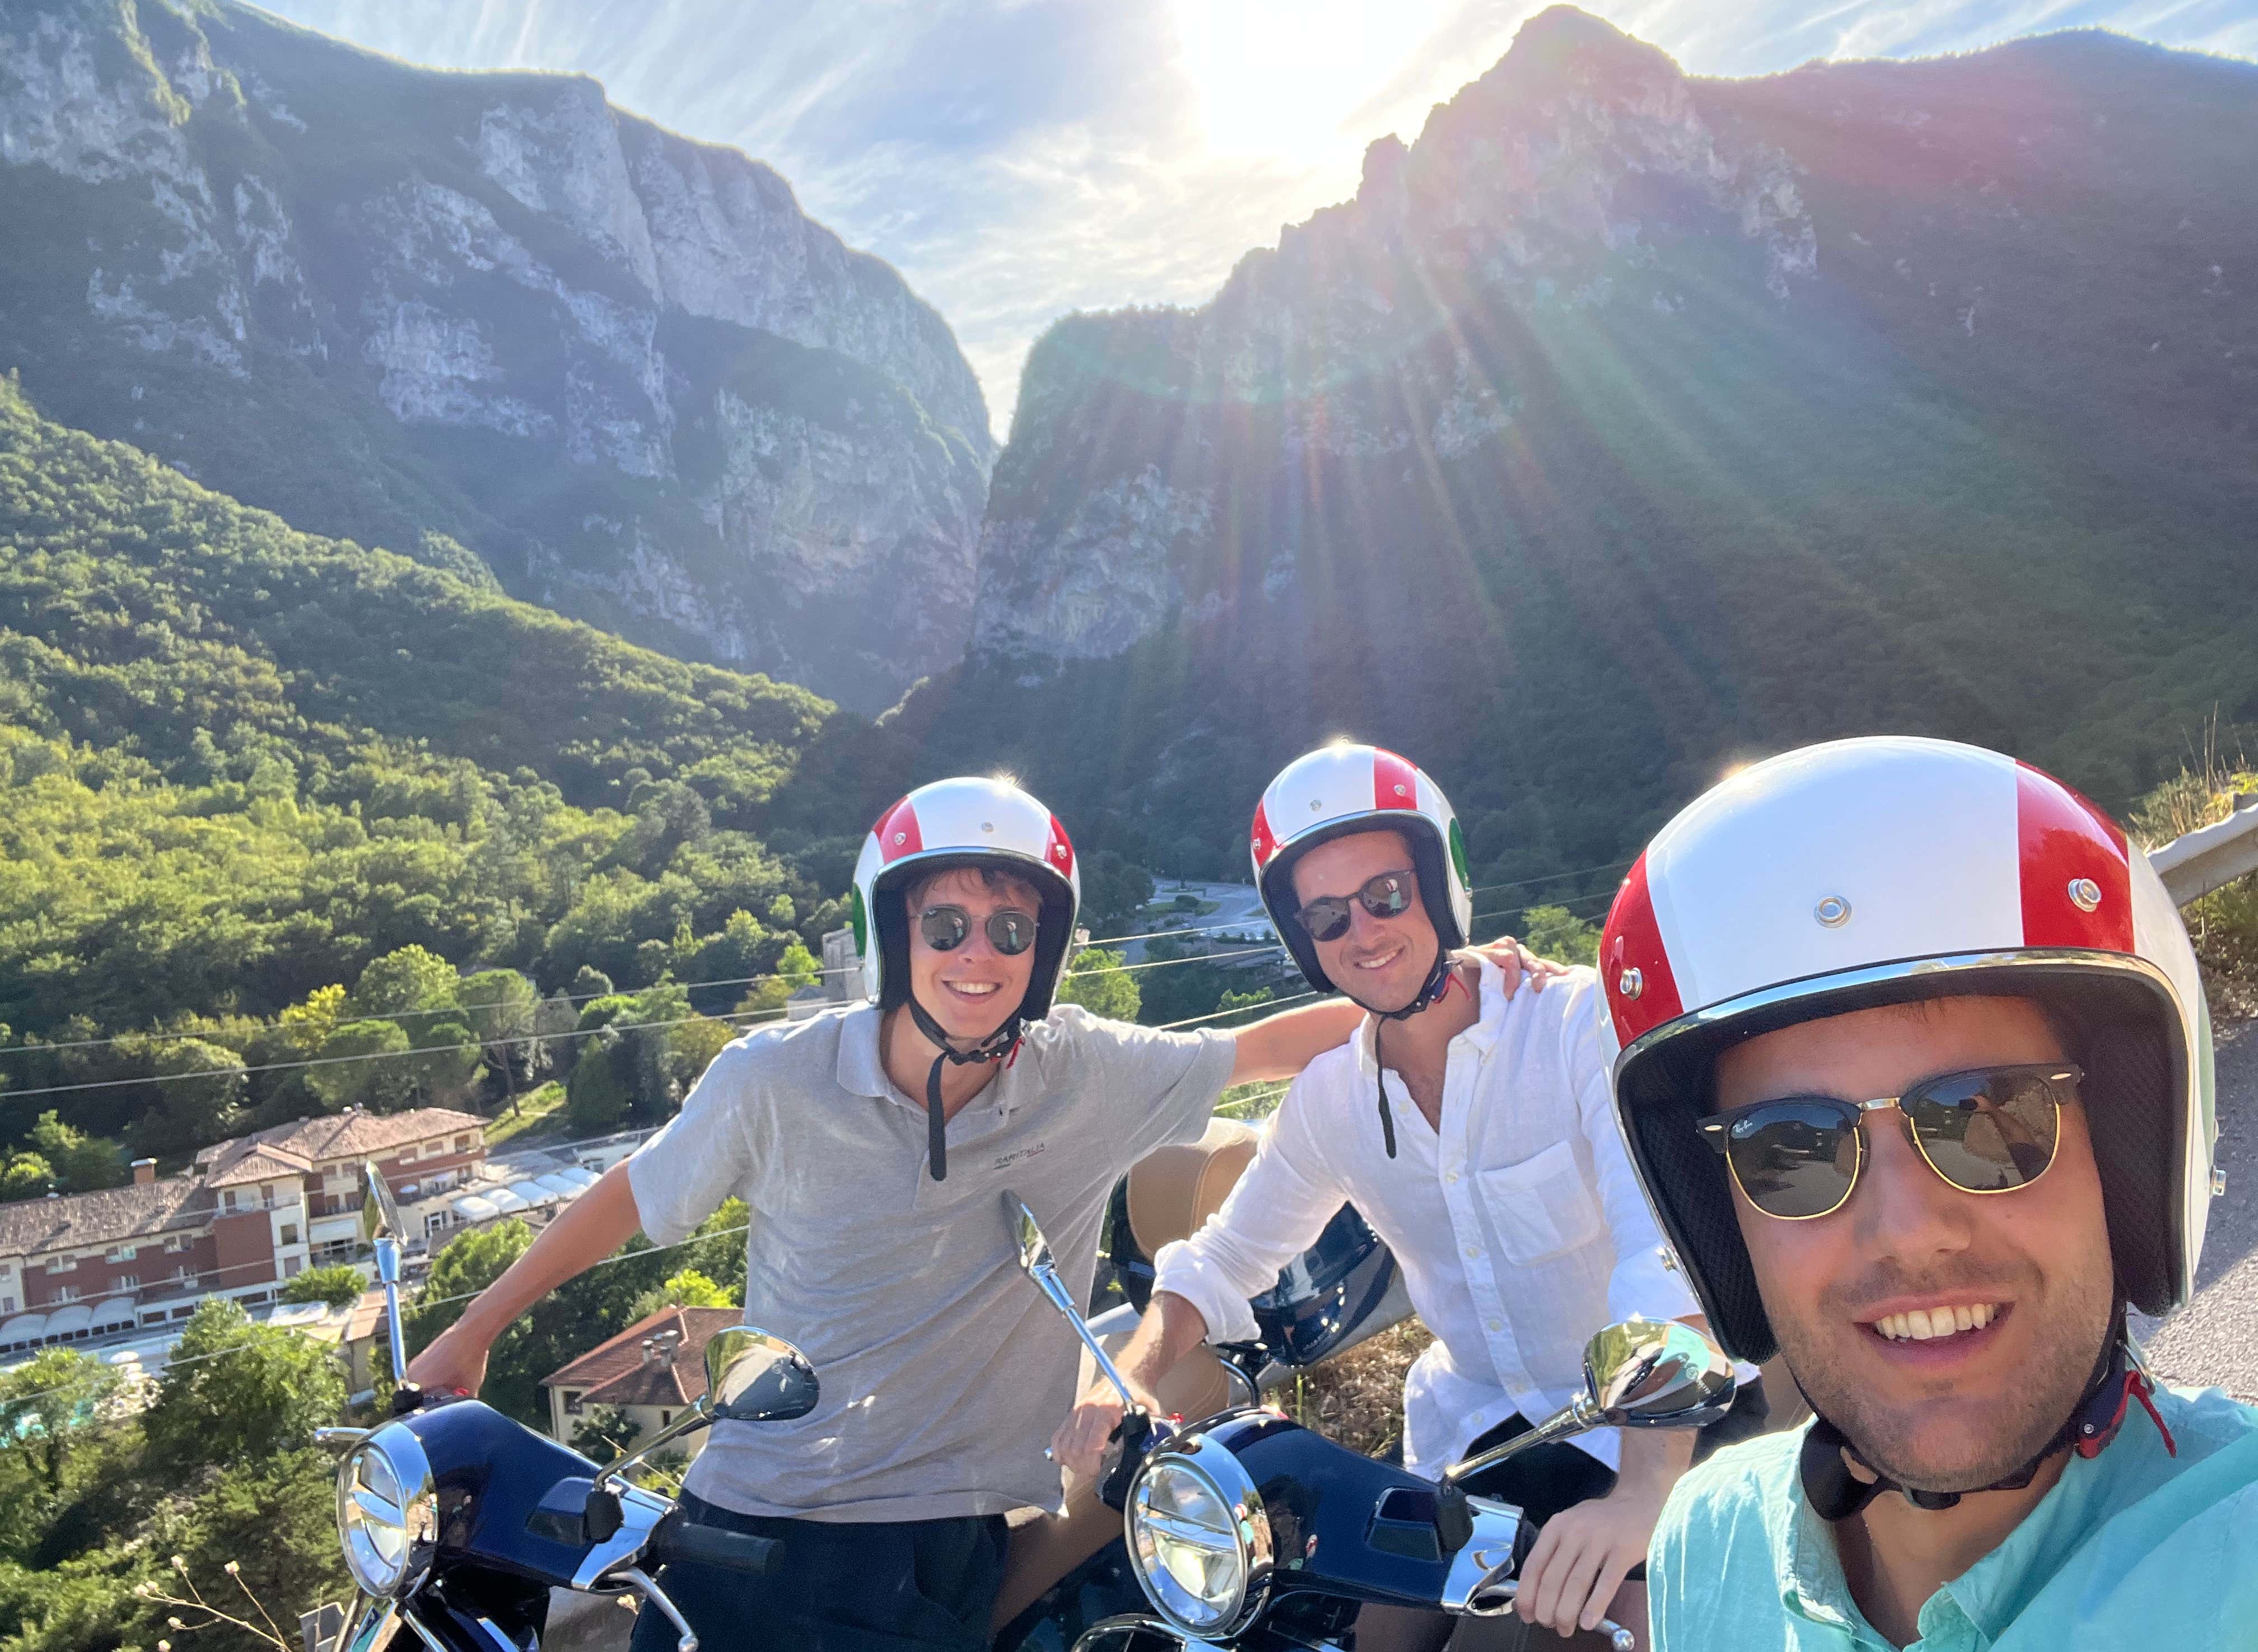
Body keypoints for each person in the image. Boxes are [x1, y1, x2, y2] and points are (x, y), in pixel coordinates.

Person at [404, 774, 1546, 1652]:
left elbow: (1264, 1047)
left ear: (1044, 951)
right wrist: (480, 1325)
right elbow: (625, 1197)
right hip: (729, 1519)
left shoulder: (1082, 1072)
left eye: (1011, 931)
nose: (977, 956)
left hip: (924, 1545)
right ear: (894, 933)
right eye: (944, 926)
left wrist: (1453, 973)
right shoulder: (776, 1076)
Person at [1052, 744, 1744, 1650]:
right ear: (1304, 942)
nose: (1364, 932)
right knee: (1374, 1640)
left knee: (1611, 1634)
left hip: (1663, 1423)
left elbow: (1665, 1254)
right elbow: (1226, 1256)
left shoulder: (1574, 1028)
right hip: (1489, 1430)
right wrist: (1132, 1376)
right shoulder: (1333, 1100)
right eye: (1328, 917)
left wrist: (1646, 1493)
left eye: (1385, 895)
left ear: (1436, 887)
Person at [1604, 736, 2257, 1650]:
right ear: (1722, 1223)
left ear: (2127, 1163)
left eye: (1990, 1117)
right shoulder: (1707, 1544)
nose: (1908, 1233)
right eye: (1791, 1149)